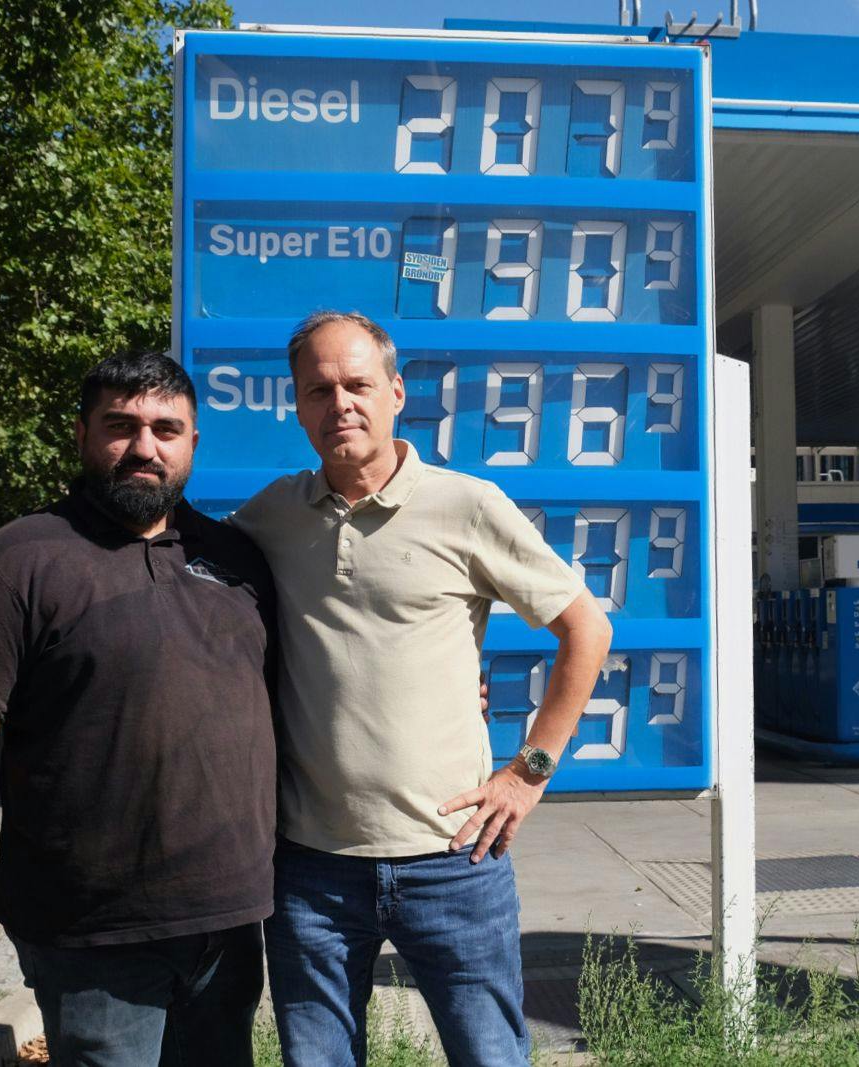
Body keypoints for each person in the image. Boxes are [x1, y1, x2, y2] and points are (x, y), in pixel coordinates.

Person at [230, 310, 614, 1067]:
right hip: (311, 867)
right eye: (318, 390)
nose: (340, 403)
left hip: (453, 860)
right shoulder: (271, 517)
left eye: (358, 384)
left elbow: (587, 629)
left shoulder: (468, 505)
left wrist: (529, 771)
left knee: (490, 1056)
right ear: (297, 405)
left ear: (397, 392)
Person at [0, 350, 277, 1067]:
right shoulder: (15, 562)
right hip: (90, 934)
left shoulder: (238, 560)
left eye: (166, 429)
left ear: (193, 443)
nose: (144, 447)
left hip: (228, 923)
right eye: (120, 426)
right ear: (81, 434)